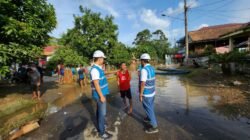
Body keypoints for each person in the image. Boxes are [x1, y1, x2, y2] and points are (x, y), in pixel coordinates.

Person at [90, 50, 112, 139]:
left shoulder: (98, 68)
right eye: (103, 58)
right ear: (99, 58)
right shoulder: (95, 70)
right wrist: (101, 96)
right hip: (100, 95)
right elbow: (96, 84)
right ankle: (102, 132)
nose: (103, 60)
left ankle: (100, 125)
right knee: (102, 113)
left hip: (101, 94)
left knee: (99, 111)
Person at [139, 53, 159, 134]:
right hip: (152, 92)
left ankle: (154, 127)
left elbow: (143, 83)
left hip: (147, 94)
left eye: (141, 61)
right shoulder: (152, 68)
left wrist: (140, 94)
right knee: (150, 106)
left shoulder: (144, 70)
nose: (140, 62)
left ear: (143, 61)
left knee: (148, 108)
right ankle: (148, 118)